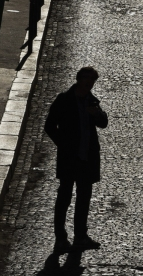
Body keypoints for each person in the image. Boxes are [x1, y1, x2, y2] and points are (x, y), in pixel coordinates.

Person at [45, 66, 108, 252]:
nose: (89, 83)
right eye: (87, 79)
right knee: (64, 197)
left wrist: (96, 113)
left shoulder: (92, 102)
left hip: (87, 158)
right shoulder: (64, 100)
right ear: (79, 79)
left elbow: (103, 123)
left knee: (84, 198)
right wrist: (63, 145)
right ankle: (60, 238)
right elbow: (49, 126)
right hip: (70, 158)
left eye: (92, 80)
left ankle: (80, 236)